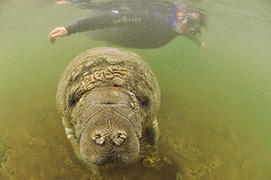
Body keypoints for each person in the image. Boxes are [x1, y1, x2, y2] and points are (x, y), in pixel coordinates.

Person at [48, 0, 207, 49]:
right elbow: (107, 20)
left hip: (121, 42)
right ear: (176, 10)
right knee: (92, 33)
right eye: (183, 14)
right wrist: (70, 29)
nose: (184, 21)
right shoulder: (151, 17)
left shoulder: (182, 29)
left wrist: (199, 42)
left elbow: (185, 32)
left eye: (192, 22)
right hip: (110, 31)